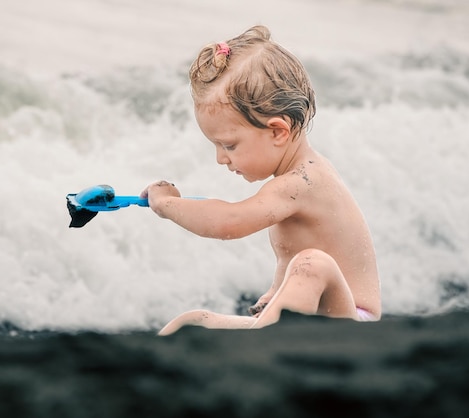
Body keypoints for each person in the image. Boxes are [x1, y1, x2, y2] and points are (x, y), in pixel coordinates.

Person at [140, 25, 381, 336]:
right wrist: (275, 294)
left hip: (351, 322)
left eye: (229, 145)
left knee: (313, 264)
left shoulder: (303, 182)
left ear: (278, 131)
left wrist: (166, 204)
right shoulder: (295, 176)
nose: (221, 159)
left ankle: (267, 346)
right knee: (193, 322)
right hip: (310, 325)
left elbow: (229, 222)